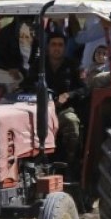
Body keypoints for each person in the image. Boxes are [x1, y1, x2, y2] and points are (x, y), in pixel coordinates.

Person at [21, 33, 88, 172]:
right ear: (48, 47)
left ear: (65, 48)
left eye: (60, 45)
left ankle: (69, 165)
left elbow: (84, 89)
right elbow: (25, 85)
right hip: (40, 110)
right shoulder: (38, 65)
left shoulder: (73, 65)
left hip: (63, 110)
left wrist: (68, 95)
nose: (57, 48)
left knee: (71, 122)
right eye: (53, 44)